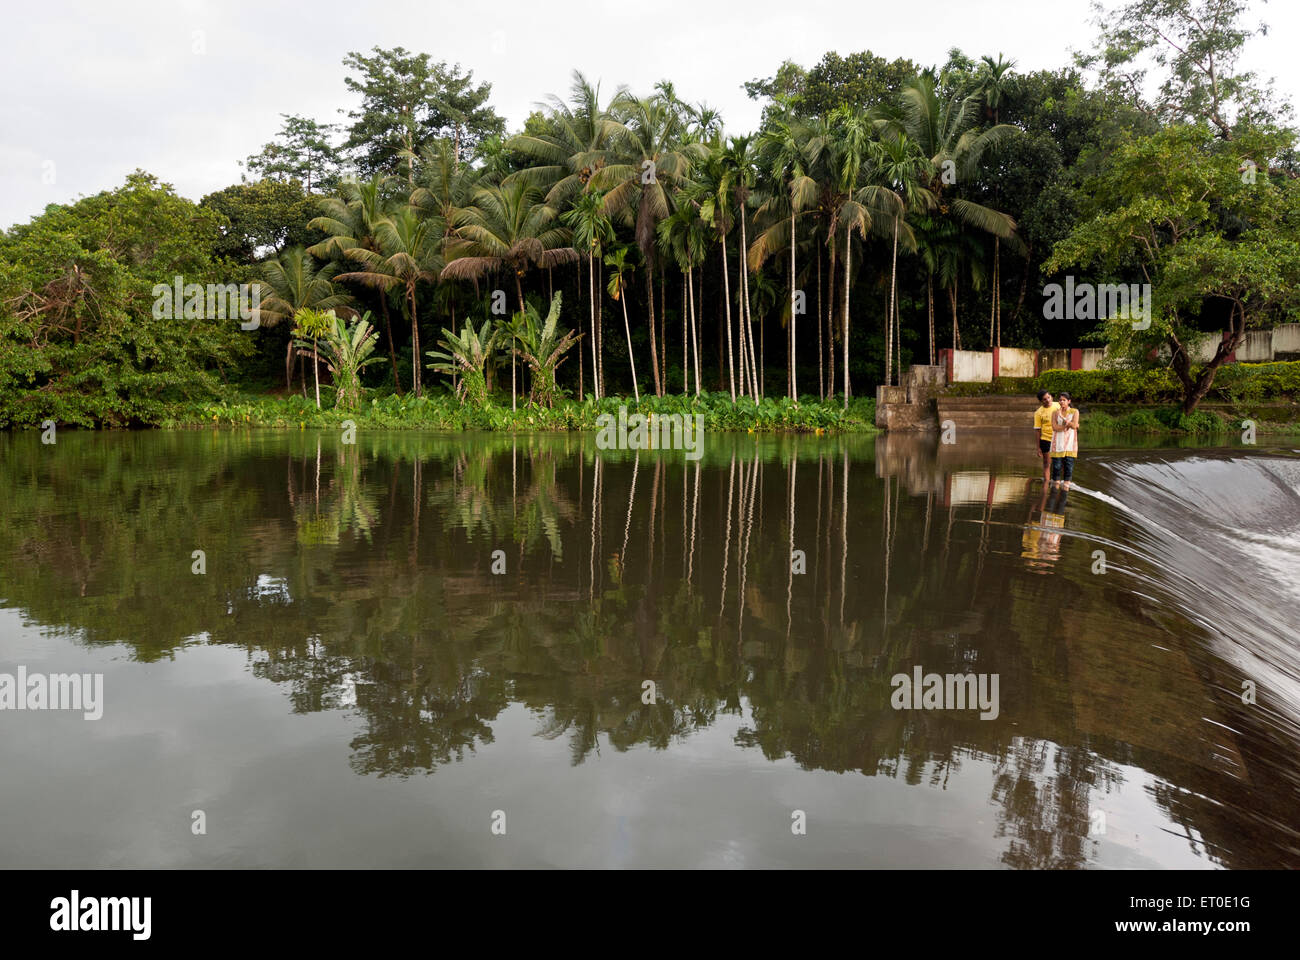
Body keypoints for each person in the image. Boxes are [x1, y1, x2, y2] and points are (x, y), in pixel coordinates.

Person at [1050, 392, 1080, 489]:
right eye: (1060, 400)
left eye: (1064, 400)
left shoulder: (1075, 411)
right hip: (1057, 442)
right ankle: (1056, 481)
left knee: (1069, 464)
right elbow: (1054, 427)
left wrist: (1063, 418)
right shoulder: (1055, 413)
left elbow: (1075, 426)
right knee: (1057, 465)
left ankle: (1067, 482)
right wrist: (1066, 427)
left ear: (1069, 401)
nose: (1062, 402)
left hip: (1070, 443)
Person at [1032, 389, 1058, 486]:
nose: (1047, 400)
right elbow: (1038, 431)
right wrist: (1038, 448)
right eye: (1044, 399)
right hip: (1046, 439)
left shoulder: (1058, 405)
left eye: (1048, 397)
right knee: (1047, 464)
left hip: (1058, 439)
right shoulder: (1038, 413)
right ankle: (1046, 485)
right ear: (1041, 401)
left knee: (1060, 463)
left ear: (1051, 397)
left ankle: (1059, 482)